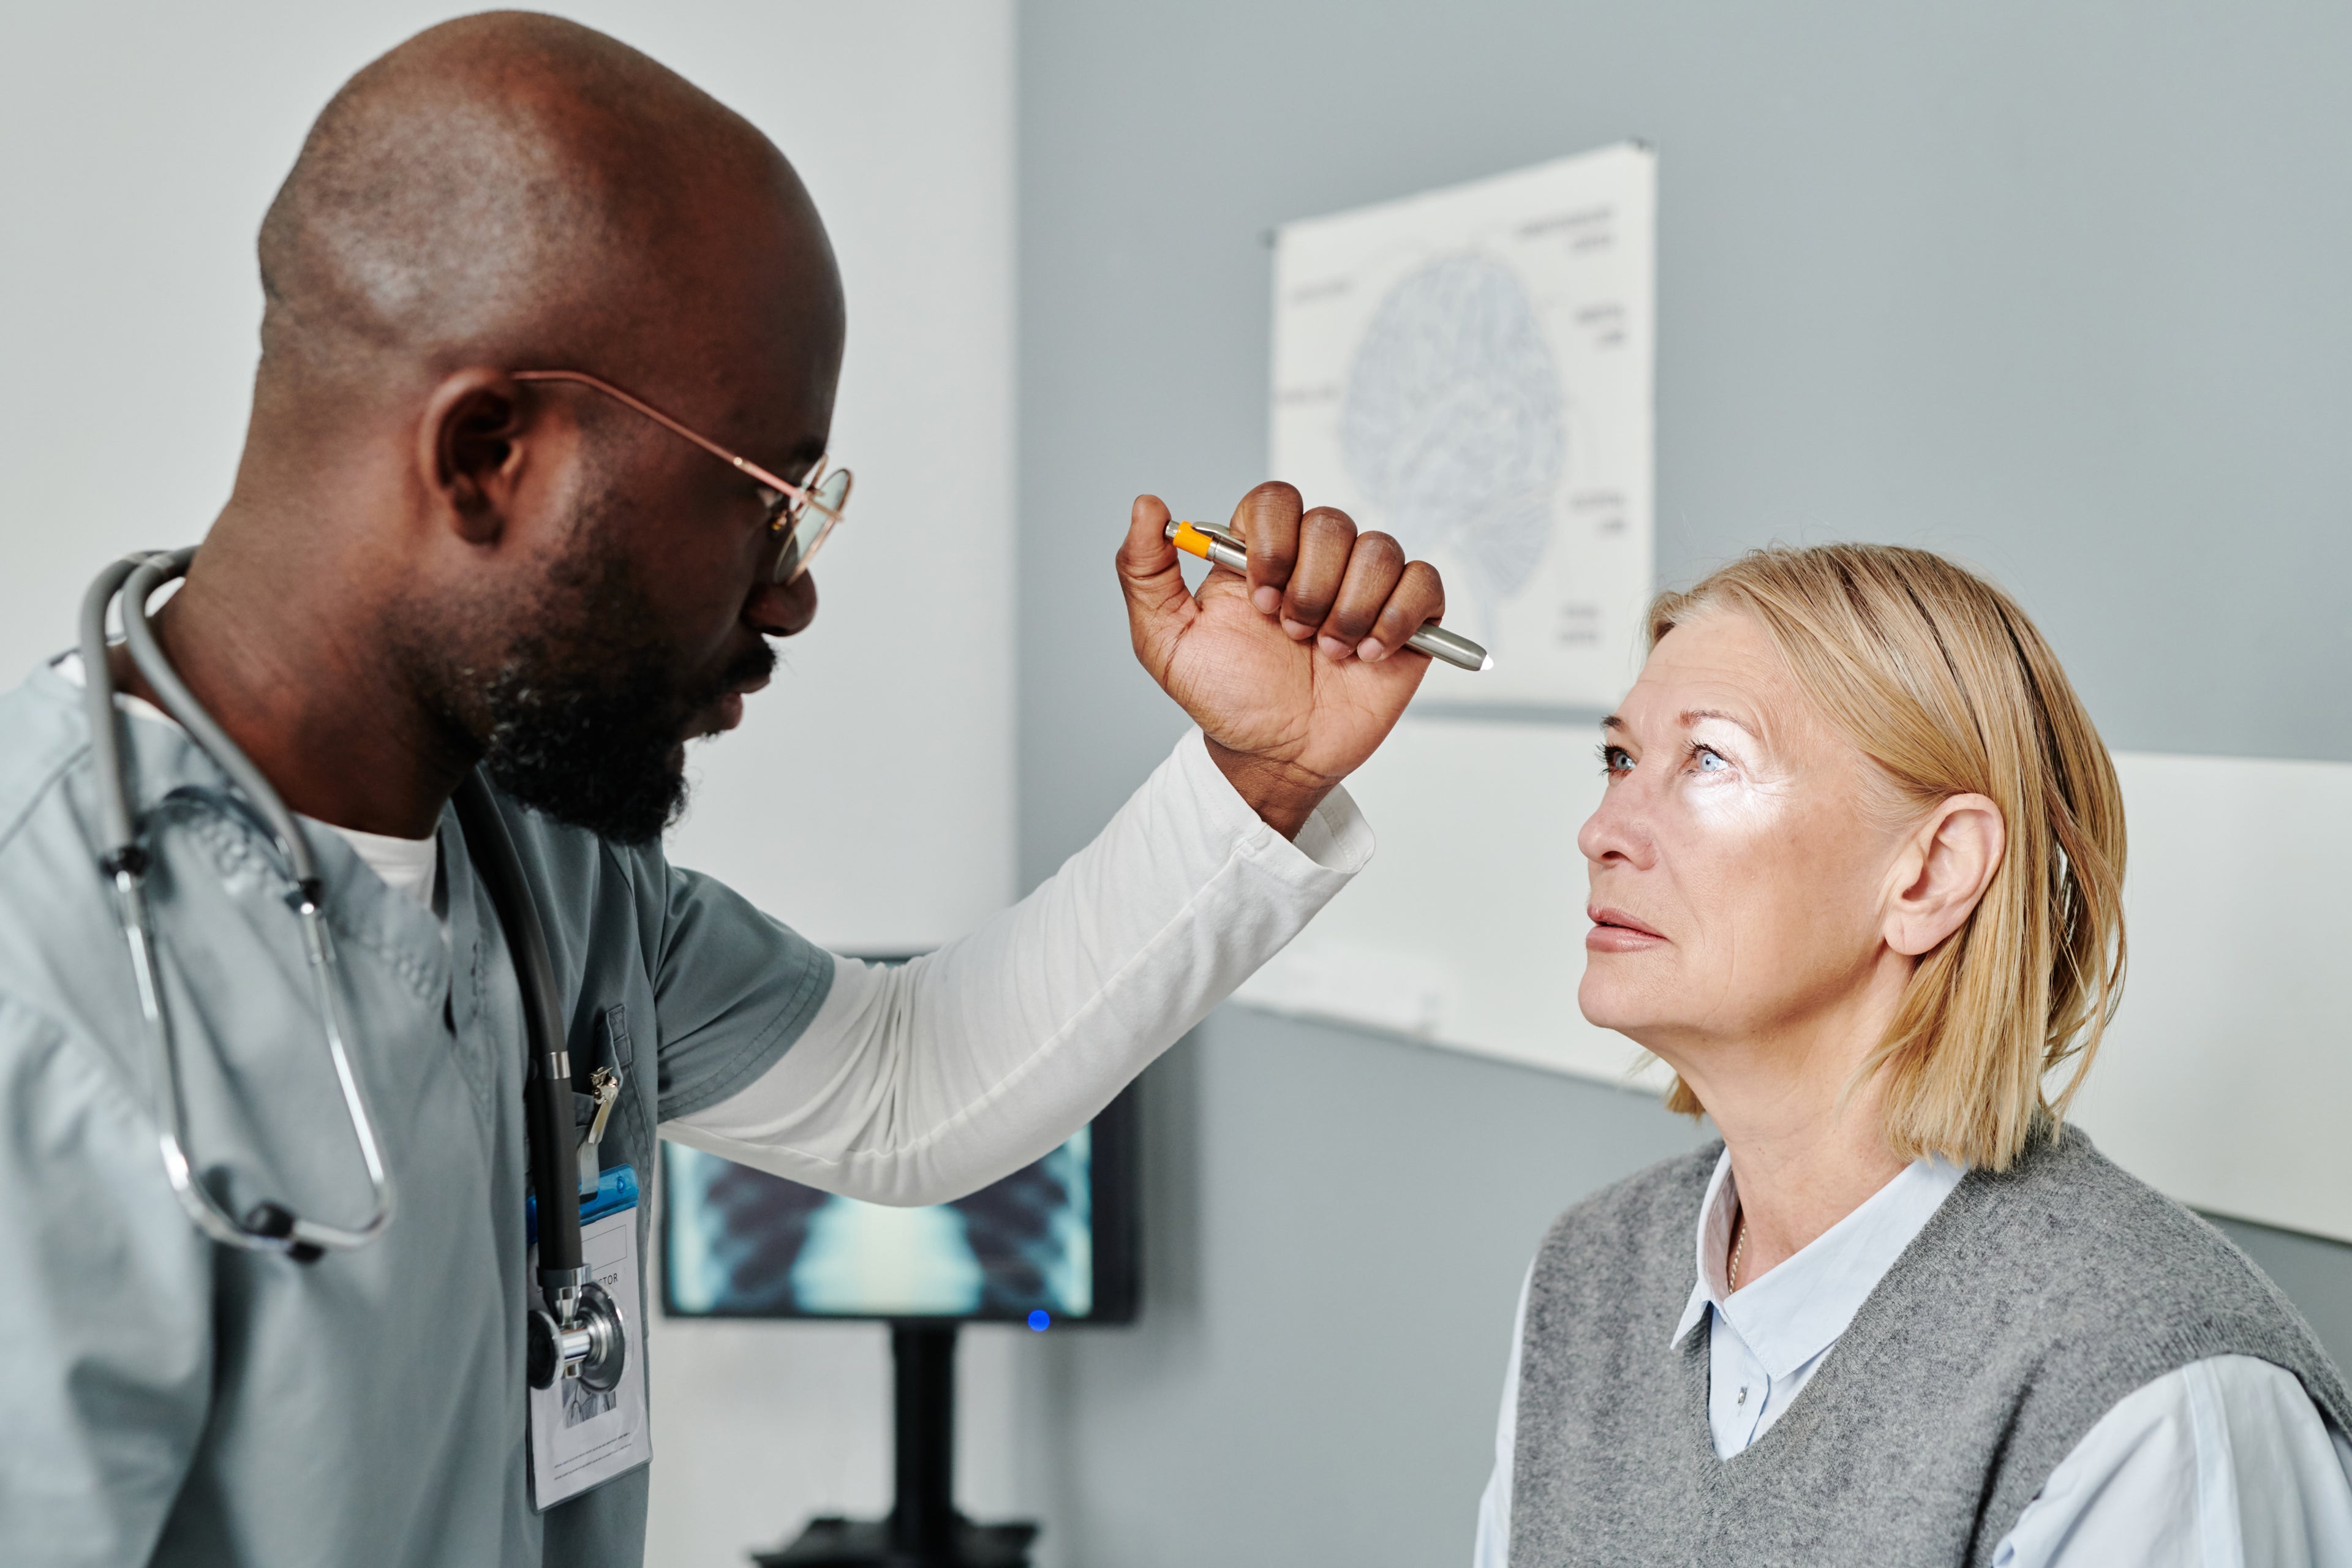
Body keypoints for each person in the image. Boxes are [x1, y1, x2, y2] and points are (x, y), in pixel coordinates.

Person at [0, 15, 1457, 1567]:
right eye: (766, 499)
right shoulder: (51, 1000)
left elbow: (908, 1084)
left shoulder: (543, 862)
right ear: (488, 454)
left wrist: (1263, 771)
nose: (792, 594)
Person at [1473, 544, 2352, 1566]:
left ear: (1931, 872)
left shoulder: (2158, 1397)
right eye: (1620, 759)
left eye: (1708, 760)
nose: (1602, 829)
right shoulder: (1590, 1273)